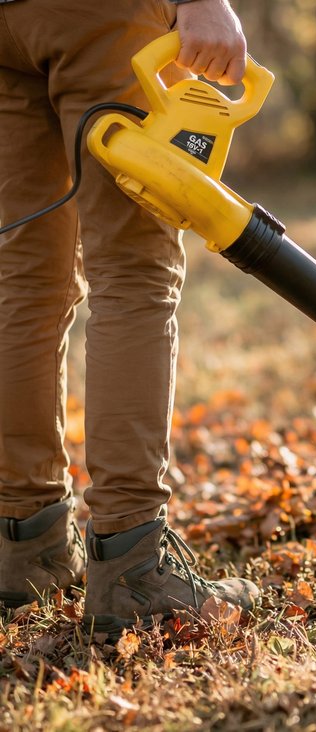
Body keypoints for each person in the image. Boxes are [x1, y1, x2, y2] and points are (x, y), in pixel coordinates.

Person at [0, 0, 256, 638]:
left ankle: (24, 541)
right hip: (101, 15)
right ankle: (132, 563)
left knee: (26, 281)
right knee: (134, 269)